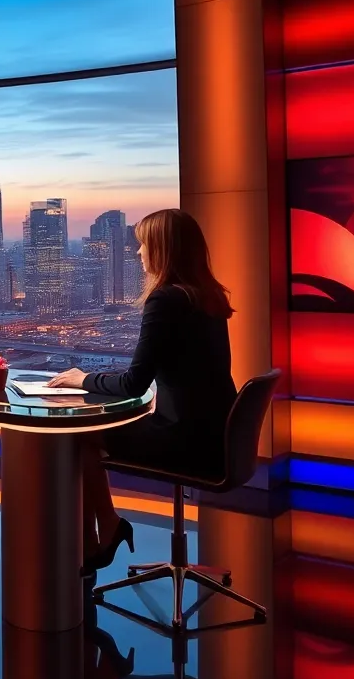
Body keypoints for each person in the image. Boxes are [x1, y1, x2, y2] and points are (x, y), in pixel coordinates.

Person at [45, 208, 236, 578]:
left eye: (144, 244)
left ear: (163, 250)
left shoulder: (166, 300)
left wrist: (82, 379)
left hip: (184, 442)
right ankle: (104, 530)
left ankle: (99, 536)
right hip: (215, 439)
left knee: (76, 434)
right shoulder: (208, 296)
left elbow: (134, 383)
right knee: (90, 432)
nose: (138, 253)